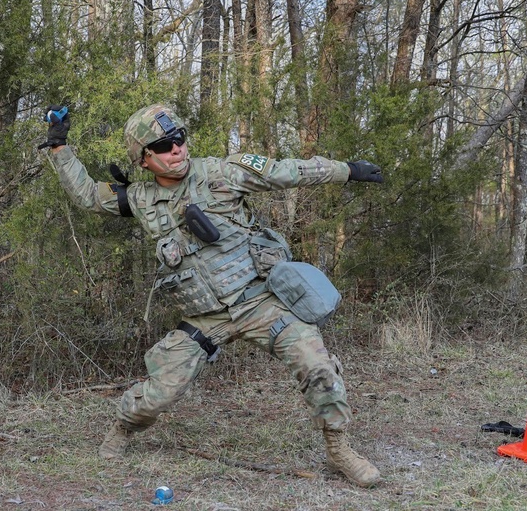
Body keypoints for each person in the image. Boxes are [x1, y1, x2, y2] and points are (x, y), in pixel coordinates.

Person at [40, 102, 384, 487]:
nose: (178, 149)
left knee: (317, 365)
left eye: (180, 139)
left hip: (260, 302)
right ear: (144, 159)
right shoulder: (139, 199)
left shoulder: (222, 173)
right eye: (165, 145)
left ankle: (340, 450)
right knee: (159, 395)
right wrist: (58, 146)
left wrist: (349, 171)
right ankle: (123, 426)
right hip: (204, 318)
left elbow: (290, 172)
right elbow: (87, 194)